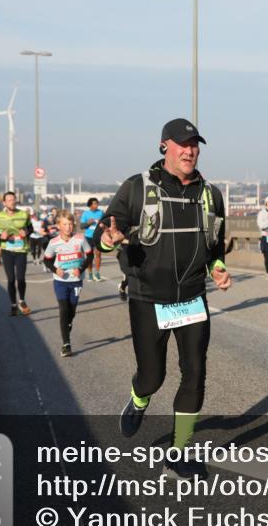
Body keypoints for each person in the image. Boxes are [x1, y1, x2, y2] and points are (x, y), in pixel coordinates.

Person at [96, 118, 231, 475]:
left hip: (192, 298)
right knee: (152, 376)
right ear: (164, 146)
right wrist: (107, 240)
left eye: (195, 144)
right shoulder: (136, 187)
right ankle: (139, 398)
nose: (190, 151)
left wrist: (217, 267)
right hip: (148, 298)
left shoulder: (211, 195)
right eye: (183, 144)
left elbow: (216, 246)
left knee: (195, 374)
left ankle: (179, 451)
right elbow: (105, 231)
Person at [44, 211, 92, 357]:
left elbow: (90, 256)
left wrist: (80, 269)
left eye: (70, 224)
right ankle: (66, 344)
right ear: (58, 226)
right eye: (65, 224)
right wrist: (55, 270)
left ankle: (68, 323)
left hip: (76, 281)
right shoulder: (53, 242)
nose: (68, 227)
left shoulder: (80, 239)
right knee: (64, 310)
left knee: (72, 311)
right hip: (61, 282)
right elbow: (47, 260)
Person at [0, 191, 33, 316]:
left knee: (21, 278)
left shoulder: (24, 214)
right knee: (11, 280)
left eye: (13, 199)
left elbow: (30, 228)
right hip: (7, 251)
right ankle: (13, 304)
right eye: (9, 200)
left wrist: (26, 233)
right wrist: (2, 237)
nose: (12, 202)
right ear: (4, 203)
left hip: (21, 250)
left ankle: (21, 301)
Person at [81, 198, 105, 281]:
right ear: (90, 205)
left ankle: (97, 273)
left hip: (98, 236)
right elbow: (82, 226)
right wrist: (88, 223)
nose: (96, 205)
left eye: (97, 203)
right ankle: (90, 274)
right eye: (94, 203)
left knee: (98, 254)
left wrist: (102, 224)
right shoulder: (86, 214)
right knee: (90, 256)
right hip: (88, 237)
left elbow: (106, 222)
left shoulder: (101, 213)